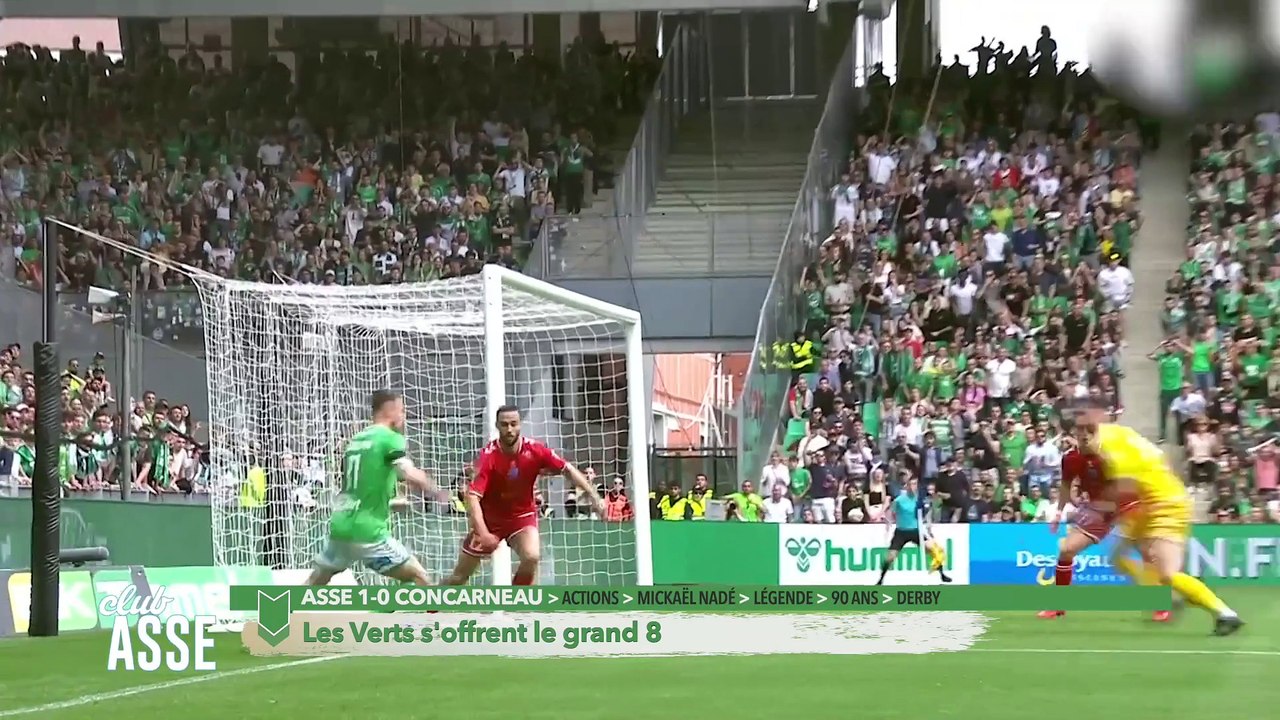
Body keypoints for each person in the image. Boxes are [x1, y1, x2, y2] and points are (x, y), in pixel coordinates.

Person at [1070, 398, 1244, 636]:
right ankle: (1167, 597)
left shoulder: (1117, 459)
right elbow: (1160, 462)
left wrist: (1092, 504)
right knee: (1118, 558)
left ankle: (1223, 613)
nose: (1077, 443)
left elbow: (1122, 492)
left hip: (1163, 506)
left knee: (1166, 572)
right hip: (1159, 501)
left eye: (1080, 437)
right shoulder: (1120, 434)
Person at [444, 404, 603, 586]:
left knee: (532, 556)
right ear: (497, 425)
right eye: (504, 425)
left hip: (521, 516)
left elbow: (567, 469)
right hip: (490, 519)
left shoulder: (535, 450)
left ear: (520, 425)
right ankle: (430, 606)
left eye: (514, 424)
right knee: (459, 577)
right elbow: (472, 496)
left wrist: (594, 496)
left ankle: (518, 602)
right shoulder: (489, 456)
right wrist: (483, 533)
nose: (510, 429)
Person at [306, 390, 445, 586]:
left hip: (342, 525)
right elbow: (408, 472)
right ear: (391, 410)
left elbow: (356, 477)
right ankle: (433, 614)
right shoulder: (389, 438)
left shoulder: (356, 440)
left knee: (317, 579)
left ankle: (276, 610)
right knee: (418, 576)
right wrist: (435, 490)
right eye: (402, 410)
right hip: (369, 530)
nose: (403, 416)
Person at [1038, 433, 1159, 620]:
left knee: (1146, 551)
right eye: (1080, 432)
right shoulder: (1071, 458)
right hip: (1098, 510)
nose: (1085, 435)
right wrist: (1058, 512)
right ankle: (1058, 605)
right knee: (1066, 550)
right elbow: (1065, 486)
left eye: (1090, 432)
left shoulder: (1111, 453)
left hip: (1126, 505)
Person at [875, 476, 951, 585]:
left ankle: (942, 574)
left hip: (916, 530)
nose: (912, 487)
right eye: (910, 484)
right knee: (890, 557)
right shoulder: (899, 500)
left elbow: (927, 512)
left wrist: (928, 525)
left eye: (914, 484)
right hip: (901, 531)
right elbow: (890, 512)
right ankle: (881, 579)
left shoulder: (919, 500)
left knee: (934, 550)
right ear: (906, 486)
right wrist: (888, 522)